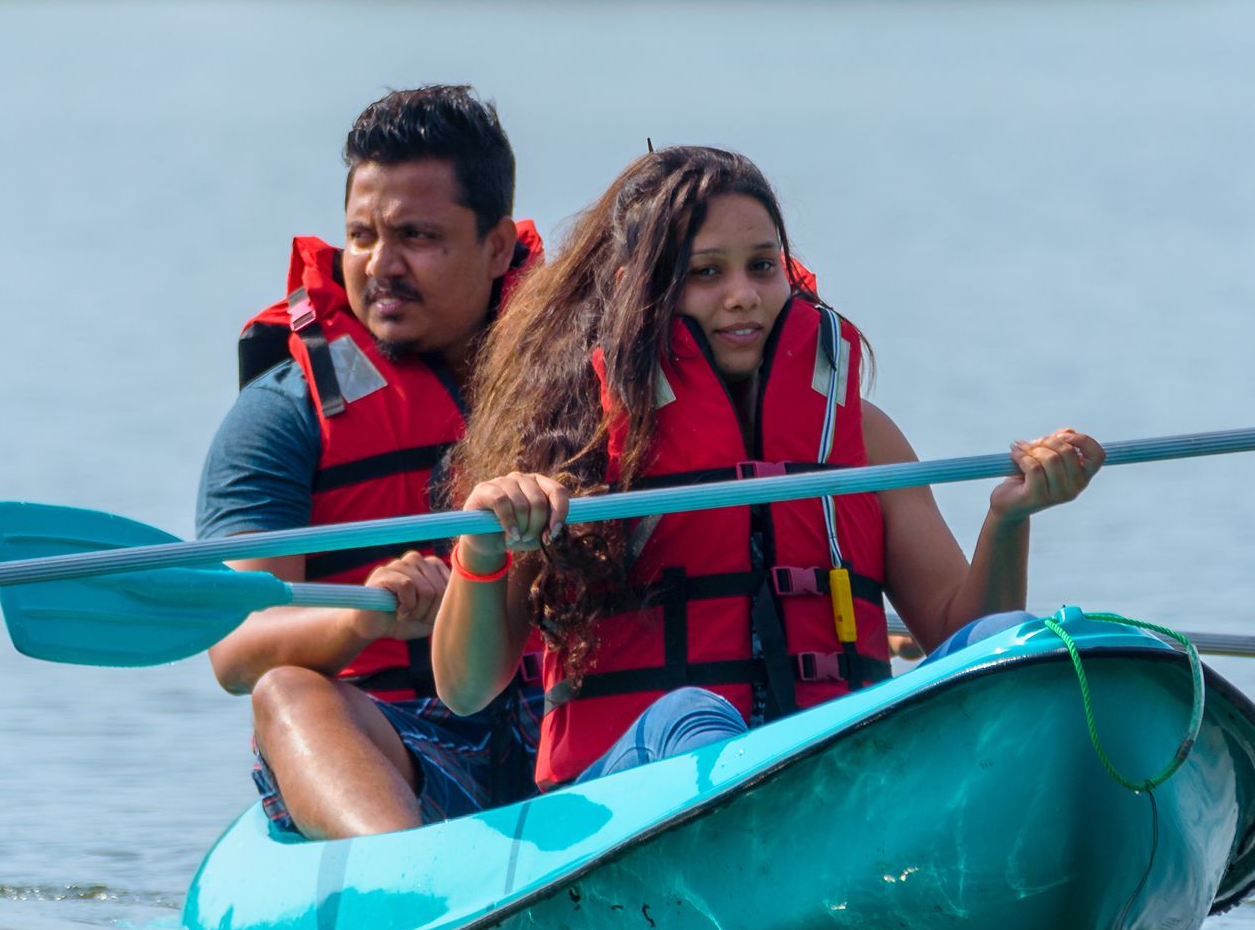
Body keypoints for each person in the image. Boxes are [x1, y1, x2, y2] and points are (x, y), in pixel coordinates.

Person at [432, 144, 1103, 787]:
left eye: (762, 265)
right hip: (633, 792)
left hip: (830, 777)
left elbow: (962, 636)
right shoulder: (571, 447)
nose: (743, 294)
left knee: (1009, 639)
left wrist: (1009, 517)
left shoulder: (861, 438)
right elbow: (465, 687)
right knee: (692, 716)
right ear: (637, 290)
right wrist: (484, 543)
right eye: (706, 271)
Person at [200, 85, 545, 836]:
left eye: (416, 237)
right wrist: (365, 617)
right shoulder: (280, 413)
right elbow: (235, 651)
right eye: (362, 236)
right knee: (285, 690)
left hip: (566, 732)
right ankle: (410, 883)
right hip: (395, 740)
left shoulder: (576, 383)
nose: (380, 265)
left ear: (497, 247)